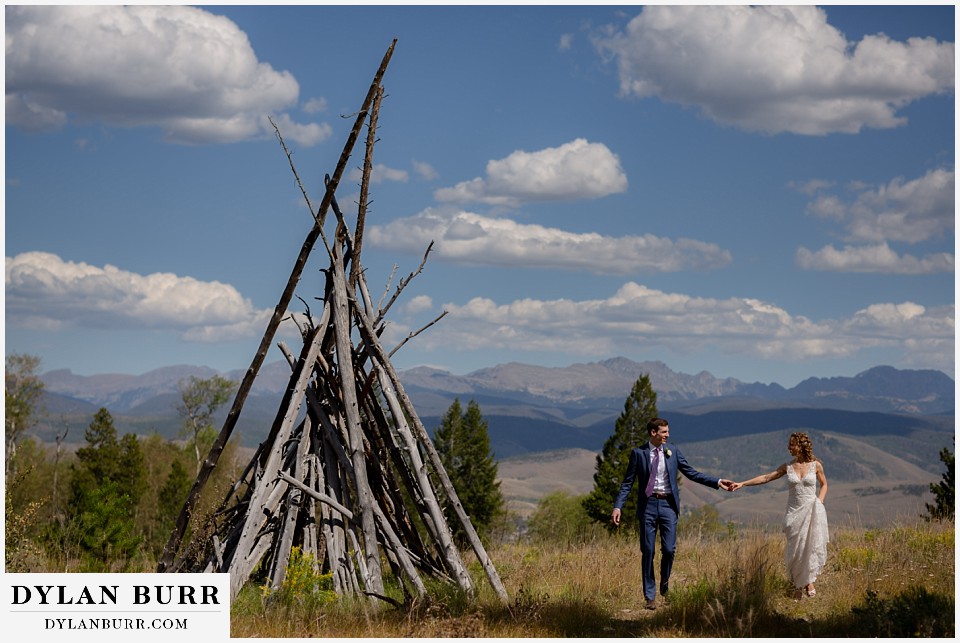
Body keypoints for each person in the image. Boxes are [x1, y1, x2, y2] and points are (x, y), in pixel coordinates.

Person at [611, 417, 735, 610]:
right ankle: (649, 596)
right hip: (648, 506)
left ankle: (665, 586)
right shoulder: (638, 453)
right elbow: (627, 482)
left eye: (668, 432)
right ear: (653, 433)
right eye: (664, 432)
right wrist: (618, 506)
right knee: (648, 551)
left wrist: (717, 482)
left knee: (669, 550)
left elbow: (691, 473)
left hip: (668, 505)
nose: (668, 435)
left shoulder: (673, 451)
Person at [730, 432, 828, 599]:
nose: (789, 448)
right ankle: (798, 584)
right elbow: (767, 477)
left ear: (801, 446)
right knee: (795, 548)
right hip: (794, 511)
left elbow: (824, 484)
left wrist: (819, 502)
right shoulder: (787, 466)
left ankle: (808, 582)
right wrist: (743, 483)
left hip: (811, 509)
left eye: (792, 445)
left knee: (809, 546)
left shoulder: (816, 465)